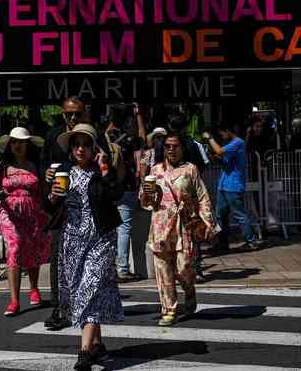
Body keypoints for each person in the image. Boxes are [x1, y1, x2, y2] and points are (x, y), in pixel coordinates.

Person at [46, 123, 124, 370]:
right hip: (72, 240)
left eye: (86, 145)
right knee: (82, 291)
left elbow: (116, 194)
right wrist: (52, 195)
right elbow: (49, 207)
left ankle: (83, 353)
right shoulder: (63, 172)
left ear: (94, 148)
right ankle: (98, 345)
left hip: (100, 238)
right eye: (76, 145)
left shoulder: (102, 171)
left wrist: (105, 168)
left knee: (89, 288)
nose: (81, 149)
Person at [140, 132, 215, 326]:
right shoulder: (154, 170)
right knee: (163, 270)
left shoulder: (190, 169)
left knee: (184, 268)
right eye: (167, 146)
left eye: (175, 146)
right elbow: (145, 201)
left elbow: (202, 197)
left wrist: (206, 221)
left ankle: (189, 291)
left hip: (183, 224)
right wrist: (148, 195)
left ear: (183, 148)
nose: (171, 149)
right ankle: (169, 309)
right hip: (160, 224)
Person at [0, 127, 51, 316]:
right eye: (14, 141)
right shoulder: (2, 165)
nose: (18, 145)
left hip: (33, 212)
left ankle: (34, 288)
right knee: (15, 248)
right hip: (9, 212)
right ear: (10, 144)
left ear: (27, 144)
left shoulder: (36, 165)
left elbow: (43, 189)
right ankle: (14, 301)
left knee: (32, 249)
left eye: (22, 142)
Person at [41, 96, 87, 330]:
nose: (73, 117)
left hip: (88, 209)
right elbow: (43, 164)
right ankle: (59, 308)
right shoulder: (53, 136)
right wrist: (46, 177)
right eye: (69, 113)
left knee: (88, 261)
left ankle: (86, 306)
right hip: (60, 207)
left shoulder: (90, 135)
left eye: (77, 113)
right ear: (63, 114)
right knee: (58, 257)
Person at [205, 121, 261, 251]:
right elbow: (223, 162)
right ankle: (222, 242)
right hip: (224, 184)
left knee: (239, 214)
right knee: (220, 215)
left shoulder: (238, 143)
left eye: (222, 134)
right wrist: (210, 154)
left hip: (234, 185)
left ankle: (251, 241)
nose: (222, 137)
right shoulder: (231, 144)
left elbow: (219, 151)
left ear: (228, 131)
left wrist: (210, 138)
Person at [104, 103, 145, 282]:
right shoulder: (127, 137)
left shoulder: (104, 137)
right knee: (124, 228)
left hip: (107, 187)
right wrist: (138, 116)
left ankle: (107, 267)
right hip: (125, 187)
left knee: (108, 228)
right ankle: (122, 268)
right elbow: (142, 139)